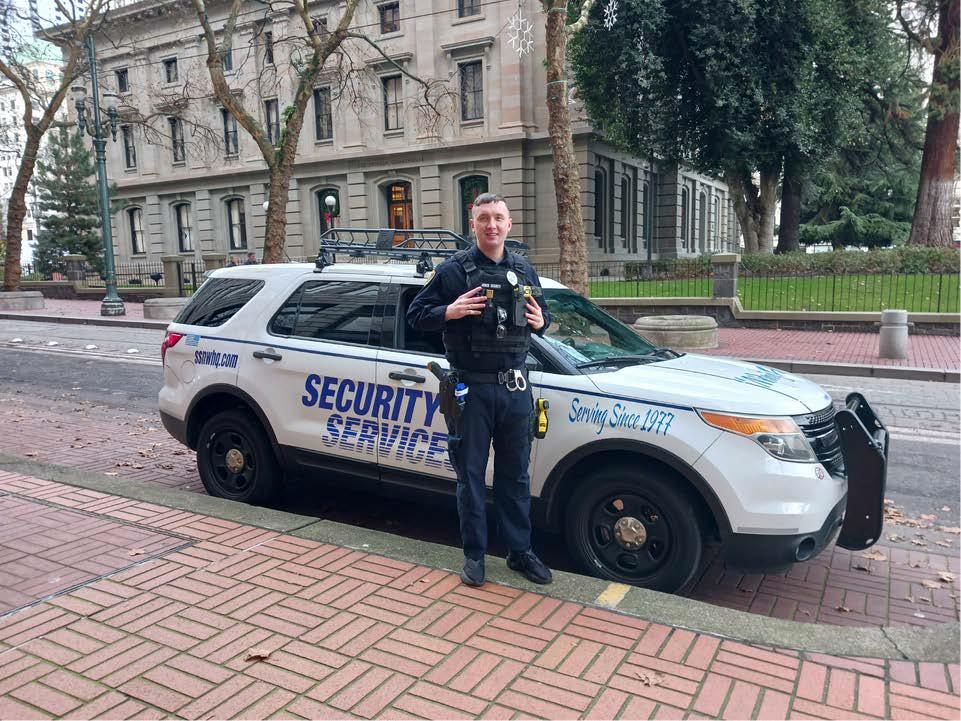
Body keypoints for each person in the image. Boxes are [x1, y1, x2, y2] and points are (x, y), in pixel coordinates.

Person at [407, 193, 553, 587]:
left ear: (509, 225)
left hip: (515, 389)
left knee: (516, 476)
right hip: (470, 391)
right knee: (470, 477)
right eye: (483, 218)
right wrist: (449, 312)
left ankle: (520, 553)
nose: (491, 225)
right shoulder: (453, 271)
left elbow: (544, 317)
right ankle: (474, 556)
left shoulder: (524, 270)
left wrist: (542, 321)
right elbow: (416, 315)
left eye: (498, 218)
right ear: (473, 225)